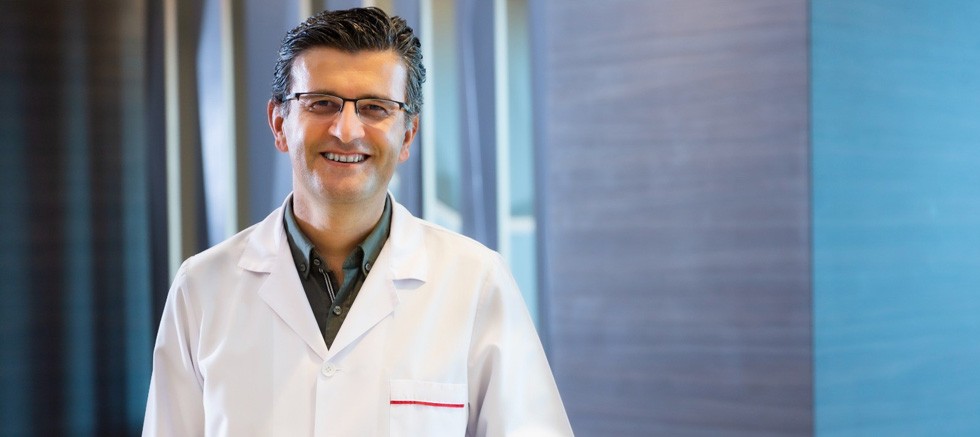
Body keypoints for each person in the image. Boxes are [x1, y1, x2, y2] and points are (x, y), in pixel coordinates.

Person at [142, 7, 572, 436]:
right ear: (279, 123)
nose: (346, 131)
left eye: (375, 108)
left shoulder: (476, 282)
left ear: (407, 134)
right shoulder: (201, 289)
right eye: (321, 103)